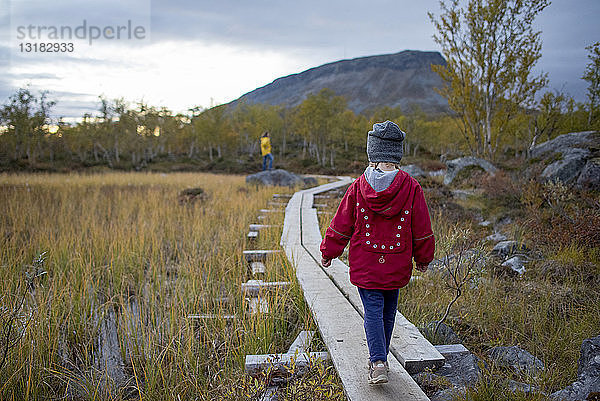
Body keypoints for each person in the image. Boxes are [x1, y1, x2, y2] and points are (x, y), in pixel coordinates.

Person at [319, 120, 435, 385]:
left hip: (366, 262)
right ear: (396, 154)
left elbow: (341, 223)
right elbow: (422, 227)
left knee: (372, 310)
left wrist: (329, 251)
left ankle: (378, 361)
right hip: (397, 261)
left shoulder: (359, 187)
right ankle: (381, 359)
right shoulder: (411, 187)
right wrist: (424, 257)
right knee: (388, 310)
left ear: (373, 152)